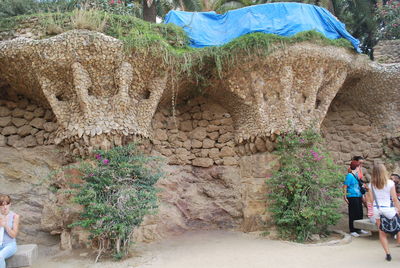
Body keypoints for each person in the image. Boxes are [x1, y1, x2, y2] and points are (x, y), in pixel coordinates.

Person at [367, 164, 400, 262]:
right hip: (389, 209)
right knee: (398, 229)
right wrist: (398, 209)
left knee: (382, 233)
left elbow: (371, 200)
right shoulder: (390, 183)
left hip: (377, 209)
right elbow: (394, 198)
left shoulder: (371, 185)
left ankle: (388, 254)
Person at [343, 161, 368, 237]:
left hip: (358, 195)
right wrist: (345, 196)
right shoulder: (349, 176)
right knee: (353, 213)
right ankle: (353, 230)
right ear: (356, 167)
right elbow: (345, 186)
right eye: (359, 166)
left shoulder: (356, 175)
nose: (360, 168)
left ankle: (359, 228)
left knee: (359, 212)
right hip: (352, 196)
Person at [0, 194, 20, 268]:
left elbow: (14, 235)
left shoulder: (15, 216)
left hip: (10, 245)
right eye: (2, 205)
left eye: (7, 204)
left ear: (10, 204)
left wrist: (5, 225)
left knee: (0, 256)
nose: (5, 207)